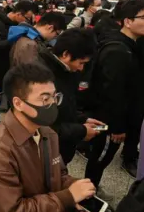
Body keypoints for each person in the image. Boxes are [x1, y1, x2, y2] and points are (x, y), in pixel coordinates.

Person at [0, 63, 96, 212]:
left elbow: (58, 174)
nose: (53, 104)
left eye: (55, 97)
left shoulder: (47, 132)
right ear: (18, 103)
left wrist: (76, 189)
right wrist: (67, 197)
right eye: (45, 99)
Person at [85, 0, 144, 192]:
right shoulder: (117, 51)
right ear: (128, 21)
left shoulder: (131, 45)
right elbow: (112, 92)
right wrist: (117, 127)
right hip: (108, 120)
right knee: (101, 156)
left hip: (122, 114)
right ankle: (88, 191)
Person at [38, 28, 105, 165]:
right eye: (81, 63)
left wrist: (82, 119)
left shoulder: (67, 71)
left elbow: (65, 107)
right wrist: (81, 131)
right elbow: (42, 126)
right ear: (66, 54)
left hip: (62, 148)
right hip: (45, 152)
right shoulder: (42, 76)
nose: (81, 68)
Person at [0, 0, 37, 90]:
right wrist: (12, 40)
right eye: (27, 18)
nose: (28, 21)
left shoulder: (17, 25)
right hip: (0, 66)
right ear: (18, 14)